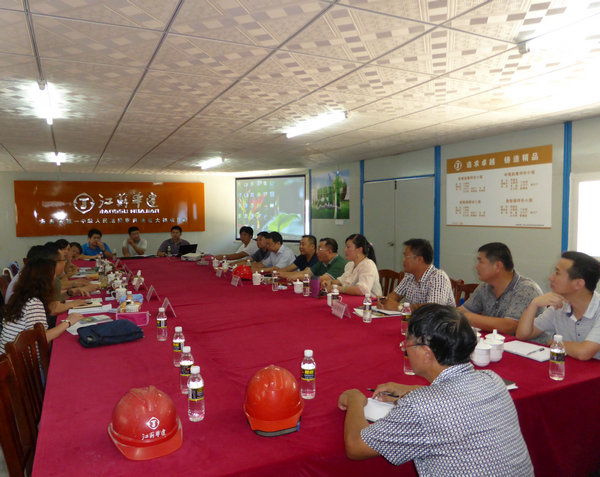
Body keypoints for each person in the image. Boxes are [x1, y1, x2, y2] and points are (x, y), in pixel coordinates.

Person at [337, 304, 533, 475]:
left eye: (407, 343)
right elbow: (458, 398)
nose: (405, 348)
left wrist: (355, 400)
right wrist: (411, 390)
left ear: (426, 353)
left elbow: (356, 447)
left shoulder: (420, 407)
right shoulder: (492, 379)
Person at [517, 251, 600, 360]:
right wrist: (534, 304)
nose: (551, 278)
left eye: (557, 273)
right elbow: (522, 335)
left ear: (578, 284)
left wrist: (555, 343)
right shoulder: (560, 306)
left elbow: (584, 353)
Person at [0, 257, 85, 354]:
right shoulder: (33, 303)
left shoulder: (20, 296)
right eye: (53, 274)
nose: (55, 278)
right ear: (45, 280)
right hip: (23, 360)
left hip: (11, 357)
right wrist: (68, 322)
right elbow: (41, 338)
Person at [459, 242, 543, 335]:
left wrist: (468, 317)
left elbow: (510, 326)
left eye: (481, 262)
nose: (476, 267)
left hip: (528, 344)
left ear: (498, 266)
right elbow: (461, 312)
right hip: (494, 341)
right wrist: (455, 315)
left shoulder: (526, 289)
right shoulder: (485, 287)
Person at [380, 238, 454, 310]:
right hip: (414, 318)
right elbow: (395, 295)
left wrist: (400, 307)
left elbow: (433, 309)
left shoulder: (438, 277)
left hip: (436, 318)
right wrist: (385, 302)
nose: (403, 260)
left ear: (419, 259)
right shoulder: (410, 275)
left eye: (406, 257)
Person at [279, 237, 346, 282]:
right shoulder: (322, 261)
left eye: (320, 249)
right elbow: (306, 273)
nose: (317, 252)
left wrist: (299, 277)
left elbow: (323, 279)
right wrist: (280, 274)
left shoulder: (339, 263)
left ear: (329, 252)